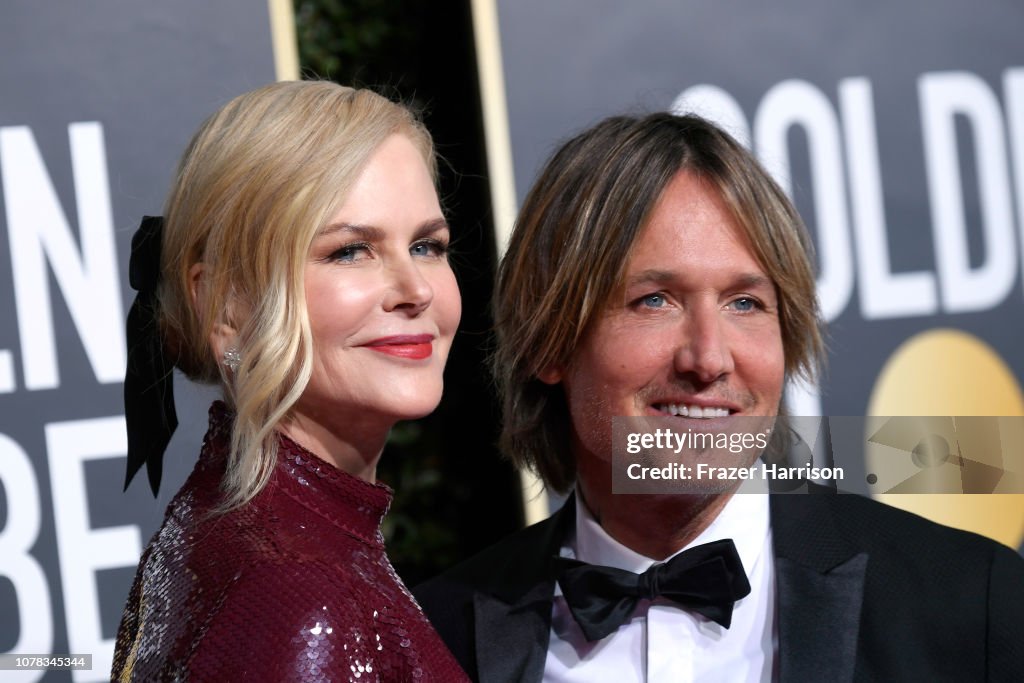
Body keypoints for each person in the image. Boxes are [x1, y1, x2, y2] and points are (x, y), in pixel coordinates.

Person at [414, 112, 1024, 681]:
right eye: (654, 300)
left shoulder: (975, 604)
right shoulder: (439, 637)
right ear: (550, 342)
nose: (708, 358)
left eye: (745, 303)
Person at [112, 81, 469, 681]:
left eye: (427, 246)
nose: (417, 290)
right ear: (226, 304)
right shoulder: (303, 597)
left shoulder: (236, 531)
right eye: (351, 251)